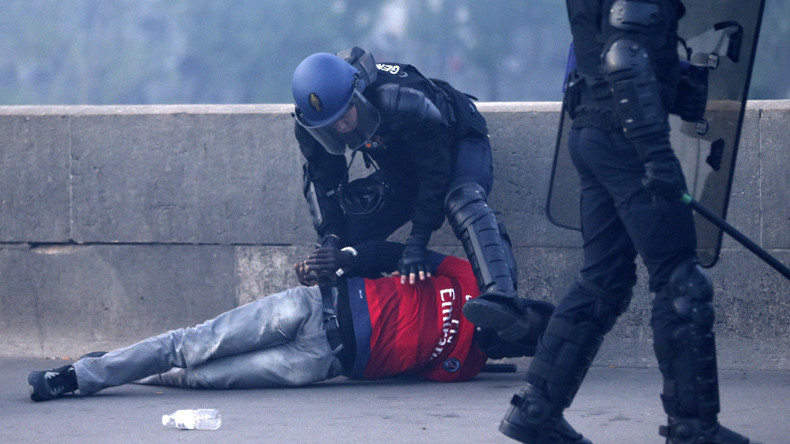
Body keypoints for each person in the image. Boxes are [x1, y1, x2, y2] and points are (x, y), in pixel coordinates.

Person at [471, 1, 761, 444]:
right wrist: (657, 154)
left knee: (603, 280)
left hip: (592, 132)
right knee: (681, 281)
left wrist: (673, 79)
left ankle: (536, 410)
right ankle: (694, 429)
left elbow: (608, 45)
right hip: (626, 138)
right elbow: (624, 55)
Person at [28, 240, 553, 402]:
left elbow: (403, 366)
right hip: (312, 307)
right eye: (522, 322)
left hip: (318, 362)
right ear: (517, 306)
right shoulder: (464, 275)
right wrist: (343, 256)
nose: (511, 336)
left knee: (200, 378)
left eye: (519, 343)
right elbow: (394, 252)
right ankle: (75, 377)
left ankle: (112, 366)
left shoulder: (464, 366)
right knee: (192, 345)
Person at [291, 47, 543, 344]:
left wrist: (418, 241)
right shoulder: (315, 123)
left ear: (358, 93)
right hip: (401, 164)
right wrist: (331, 241)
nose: (341, 126)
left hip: (455, 143)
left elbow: (435, 174)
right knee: (344, 246)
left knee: (462, 200)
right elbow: (323, 183)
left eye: (346, 113)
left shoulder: (400, 101)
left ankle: (503, 300)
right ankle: (358, 331)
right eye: (330, 124)